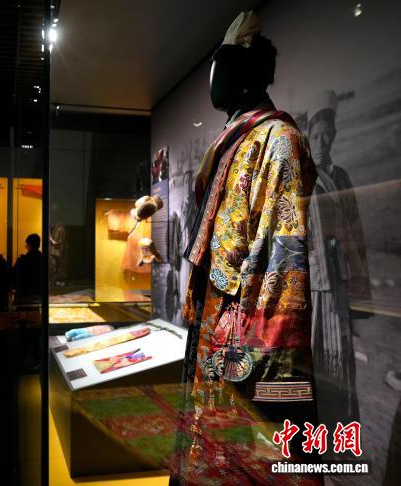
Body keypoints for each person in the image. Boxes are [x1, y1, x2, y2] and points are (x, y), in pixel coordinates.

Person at [177, 12, 319, 484]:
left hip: (244, 331)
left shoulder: (279, 141)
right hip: (212, 320)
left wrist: (257, 347)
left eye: (219, 67)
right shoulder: (233, 140)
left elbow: (284, 254)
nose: (213, 80)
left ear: (241, 72)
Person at [306, 91, 371, 451]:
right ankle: (316, 438)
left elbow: (356, 236)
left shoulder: (341, 178)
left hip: (340, 283)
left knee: (342, 361)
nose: (321, 143)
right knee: (318, 361)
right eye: (315, 136)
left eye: (327, 136)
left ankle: (340, 437)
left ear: (334, 136)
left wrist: (361, 299)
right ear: (308, 136)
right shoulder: (302, 179)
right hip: (314, 288)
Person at [12, 234, 42, 306]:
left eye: (27, 245)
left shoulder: (22, 260)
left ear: (29, 245)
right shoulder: (43, 260)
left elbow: (13, 276)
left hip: (23, 296)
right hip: (39, 296)